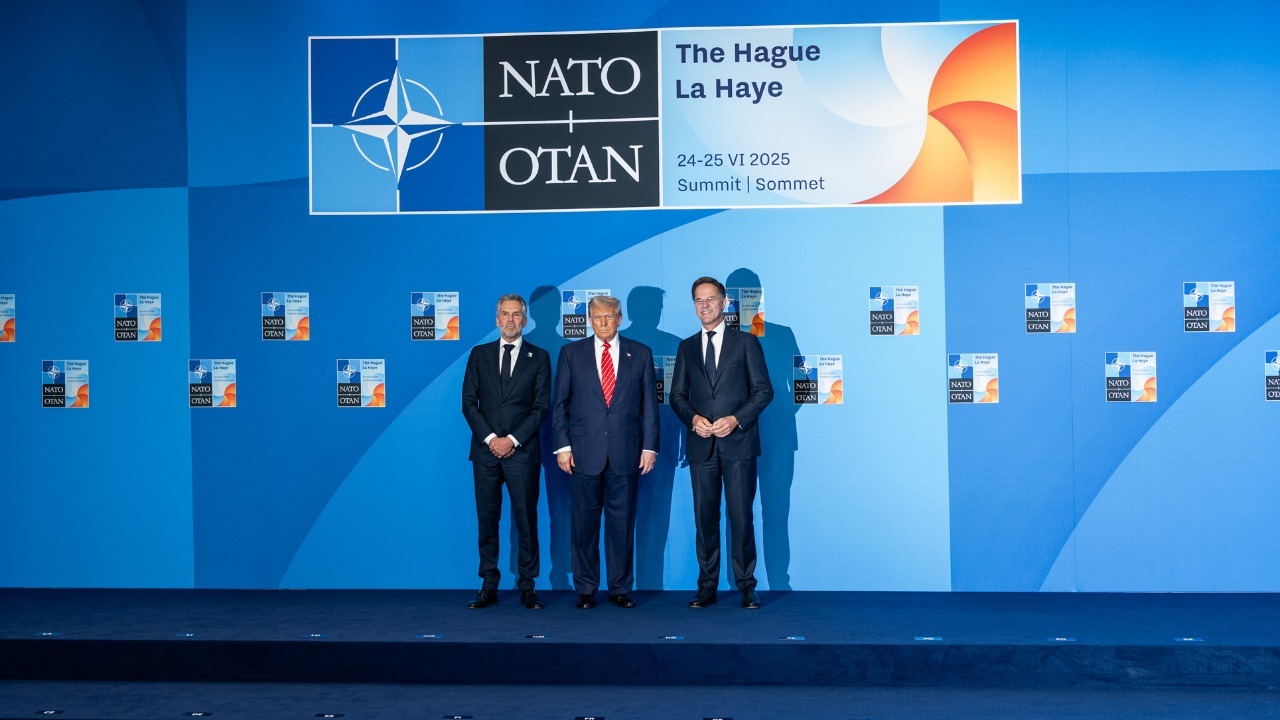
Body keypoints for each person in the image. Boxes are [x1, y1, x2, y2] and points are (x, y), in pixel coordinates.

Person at [670, 276, 774, 609]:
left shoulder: (745, 342)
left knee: (741, 516)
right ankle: (707, 586)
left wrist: (736, 419)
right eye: (699, 300)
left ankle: (746, 585)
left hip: (739, 444)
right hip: (702, 447)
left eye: (711, 299)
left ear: (725, 302)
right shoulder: (686, 347)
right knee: (705, 518)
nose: (705, 305)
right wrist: (693, 419)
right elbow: (676, 396)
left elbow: (763, 391)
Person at [551, 295, 659, 609]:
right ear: (588, 319)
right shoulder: (571, 353)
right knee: (583, 524)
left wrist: (650, 447)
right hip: (583, 453)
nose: (603, 323)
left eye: (609, 317)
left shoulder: (640, 353)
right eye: (596, 317)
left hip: (626, 452)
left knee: (622, 525)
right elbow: (560, 406)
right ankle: (585, 589)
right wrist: (563, 447)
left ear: (619, 317)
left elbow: (649, 408)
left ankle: (620, 588)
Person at [461, 294, 552, 610]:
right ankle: (488, 583)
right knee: (487, 519)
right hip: (485, 453)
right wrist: (491, 439)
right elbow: (468, 404)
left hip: (523, 452)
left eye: (517, 315)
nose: (511, 320)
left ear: (525, 320)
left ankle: (527, 585)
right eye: (505, 314)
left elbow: (541, 408)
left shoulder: (539, 357)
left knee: (527, 520)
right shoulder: (479, 355)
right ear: (496, 319)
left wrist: (512, 439)